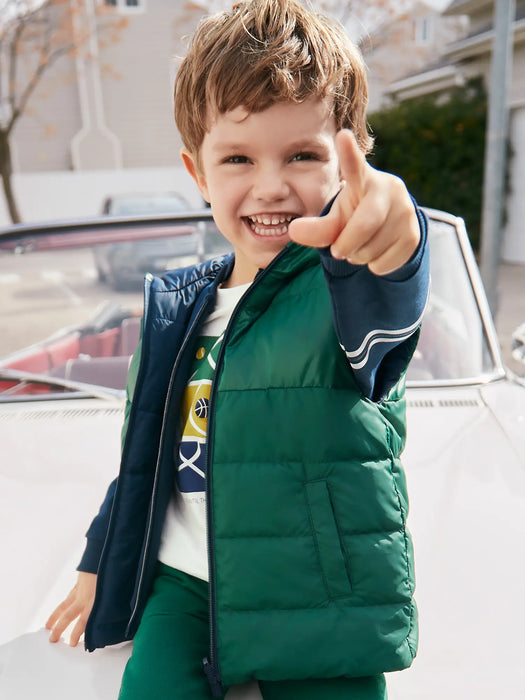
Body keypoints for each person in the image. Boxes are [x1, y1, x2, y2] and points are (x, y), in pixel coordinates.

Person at [46, 1, 429, 698]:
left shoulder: (346, 286)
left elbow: (390, 301)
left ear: (351, 160)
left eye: (305, 155)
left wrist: (399, 239)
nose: (271, 184)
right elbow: (144, 453)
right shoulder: (176, 308)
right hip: (186, 586)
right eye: (238, 158)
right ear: (198, 172)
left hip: (323, 600)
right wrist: (101, 557)